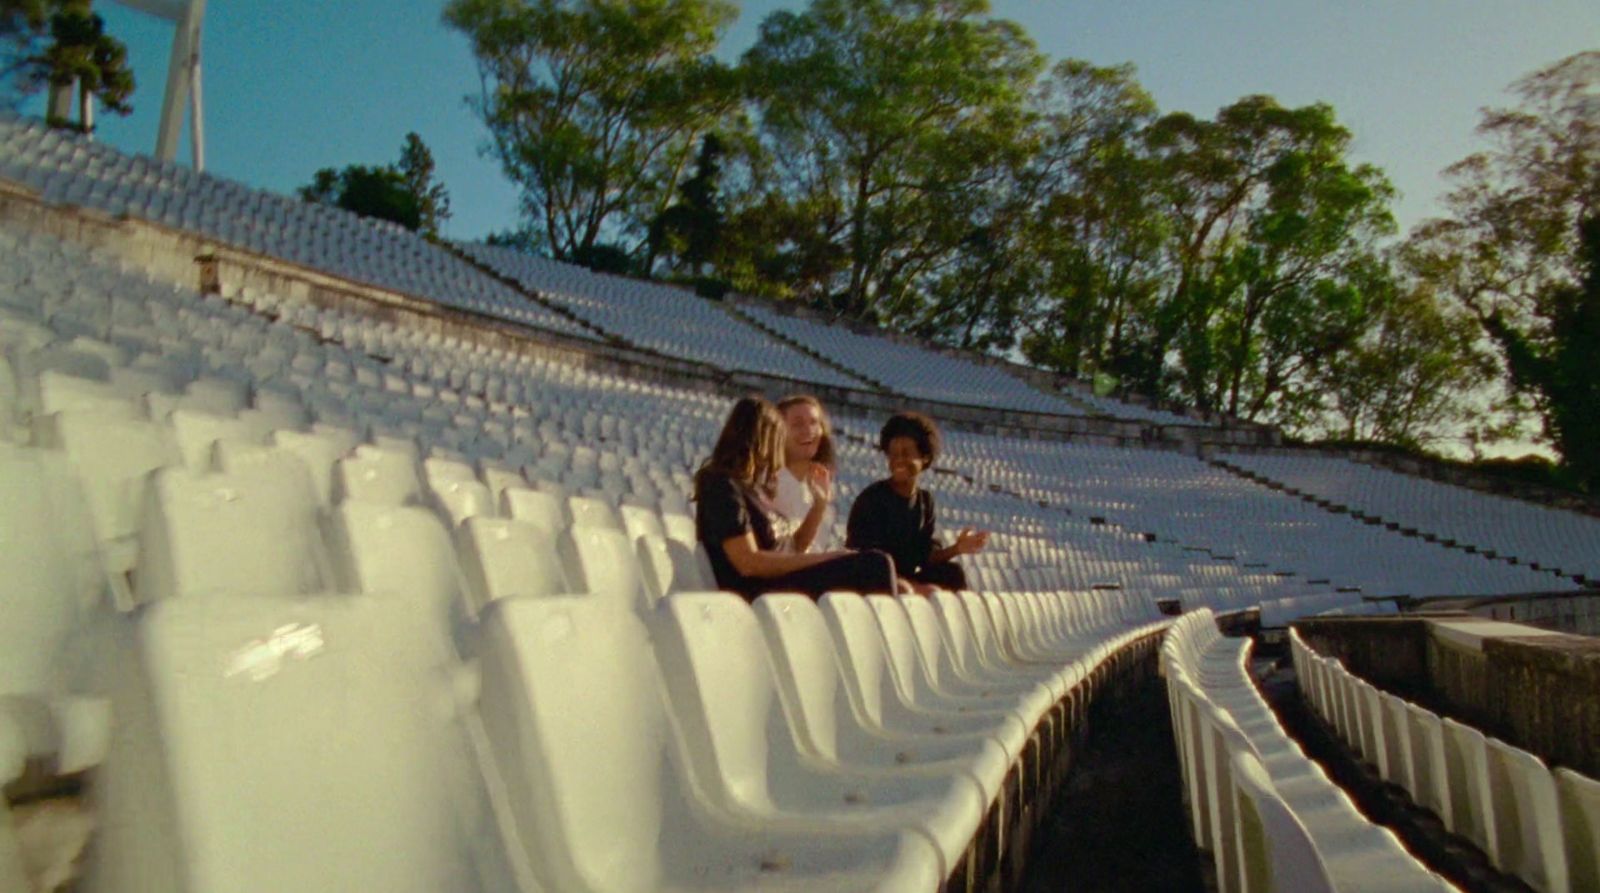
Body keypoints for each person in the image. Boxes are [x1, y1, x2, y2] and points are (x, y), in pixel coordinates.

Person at [694, 396, 897, 600]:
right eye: (776, 439)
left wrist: (819, 506)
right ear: (761, 439)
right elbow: (748, 563)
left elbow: (794, 548)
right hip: (759, 590)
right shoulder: (721, 483)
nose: (778, 449)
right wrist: (827, 558)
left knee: (876, 563)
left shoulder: (752, 488)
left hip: (778, 581)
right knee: (873, 565)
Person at [847, 411, 988, 594]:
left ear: (925, 458)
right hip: (873, 581)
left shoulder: (925, 502)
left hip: (906, 579)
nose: (898, 460)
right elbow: (864, 561)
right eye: (893, 454)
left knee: (952, 574)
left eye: (906, 453)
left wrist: (957, 549)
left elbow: (926, 557)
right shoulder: (872, 499)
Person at [771, 394, 837, 553]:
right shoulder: (769, 484)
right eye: (797, 424)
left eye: (814, 423)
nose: (808, 431)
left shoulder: (823, 484)